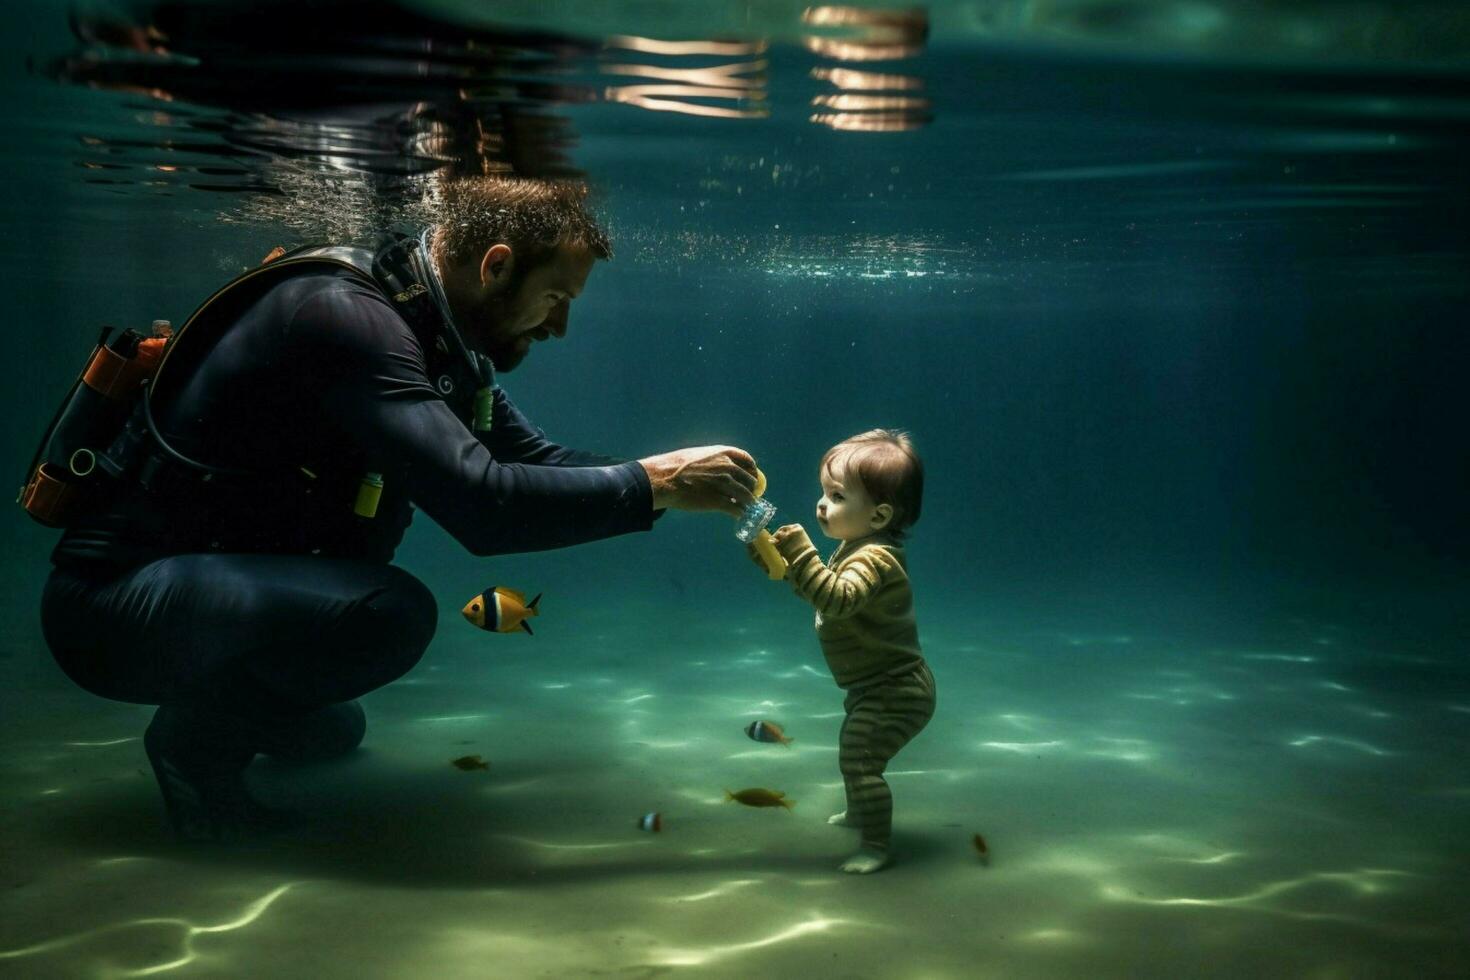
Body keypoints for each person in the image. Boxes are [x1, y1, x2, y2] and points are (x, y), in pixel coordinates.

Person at [38, 176, 759, 841]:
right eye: (556, 297)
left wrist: (675, 476)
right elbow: (486, 507)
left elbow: (533, 464)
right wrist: (654, 482)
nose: (561, 326)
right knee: (388, 616)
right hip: (112, 609)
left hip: (198, 599)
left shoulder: (430, 332)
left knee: (332, 732)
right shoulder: (347, 319)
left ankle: (215, 717)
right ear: (497, 265)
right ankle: (191, 750)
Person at [758, 429, 934, 874]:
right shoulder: (854, 548)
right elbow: (823, 597)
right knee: (855, 755)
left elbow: (837, 600)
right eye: (823, 492)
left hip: (896, 691)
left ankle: (875, 844)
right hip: (873, 686)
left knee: (860, 761)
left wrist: (802, 553)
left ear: (878, 516)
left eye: (837, 496)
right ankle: (861, 813)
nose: (822, 504)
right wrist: (780, 565)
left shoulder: (876, 559)